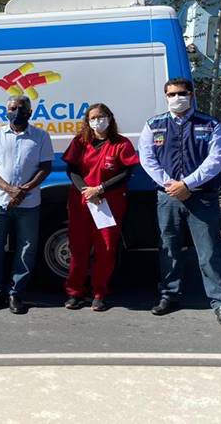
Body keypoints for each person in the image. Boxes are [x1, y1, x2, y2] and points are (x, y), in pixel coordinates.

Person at [138, 78, 221, 326]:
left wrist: (187, 184)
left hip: (202, 197)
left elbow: (215, 160)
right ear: (166, 97)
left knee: (209, 251)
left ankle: (220, 302)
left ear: (191, 95)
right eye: (171, 94)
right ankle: (169, 295)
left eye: (181, 93)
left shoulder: (211, 125)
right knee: (168, 248)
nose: (176, 98)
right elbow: (147, 159)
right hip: (168, 196)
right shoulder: (154, 125)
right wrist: (171, 185)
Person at [0, 96, 54, 315]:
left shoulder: (41, 136)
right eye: (12, 108)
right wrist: (9, 189)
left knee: (26, 249)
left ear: (30, 112)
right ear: (6, 111)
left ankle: (15, 293)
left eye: (22, 108)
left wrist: (24, 190)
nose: (17, 112)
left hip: (29, 204)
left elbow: (45, 167)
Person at [62, 103, 139, 312]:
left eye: (101, 116)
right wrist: (86, 191)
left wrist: (100, 189)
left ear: (110, 118)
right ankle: (75, 292)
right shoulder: (80, 142)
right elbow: (72, 170)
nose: (98, 121)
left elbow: (126, 173)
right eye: (93, 118)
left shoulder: (121, 143)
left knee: (105, 249)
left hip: (109, 204)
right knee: (78, 248)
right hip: (82, 202)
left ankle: (99, 293)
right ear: (87, 121)